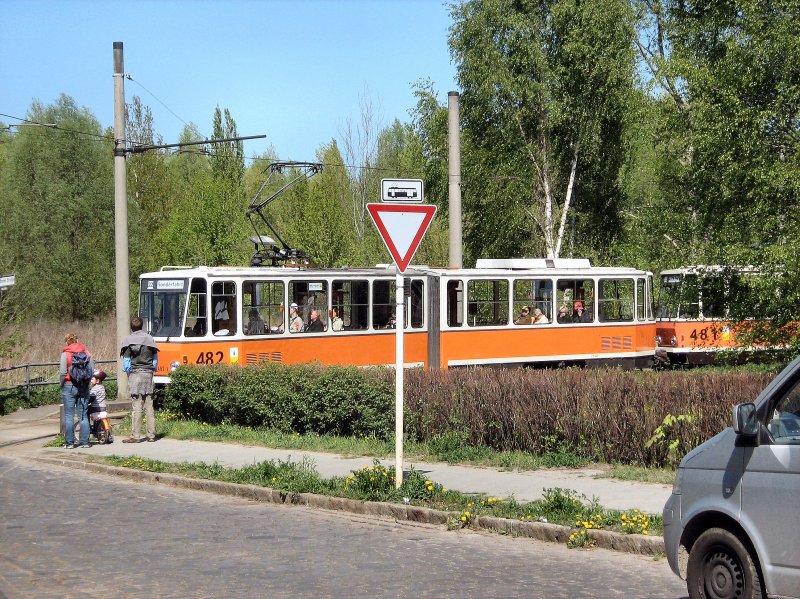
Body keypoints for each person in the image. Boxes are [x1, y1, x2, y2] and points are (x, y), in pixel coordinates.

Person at [120, 316, 159, 443]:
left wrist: (128, 373)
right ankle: (151, 435)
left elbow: (126, 362)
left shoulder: (128, 340)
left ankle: (135, 436)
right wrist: (152, 370)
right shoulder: (150, 339)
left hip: (135, 374)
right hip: (148, 374)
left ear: (131, 327)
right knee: (149, 405)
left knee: (136, 405)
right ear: (142, 326)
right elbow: (155, 360)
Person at [59, 333, 94, 448]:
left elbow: (63, 373)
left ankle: (69, 443)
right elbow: (91, 371)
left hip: (69, 385)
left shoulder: (65, 354)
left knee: (69, 416)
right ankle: (84, 442)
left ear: (66, 342)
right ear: (77, 340)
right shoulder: (87, 353)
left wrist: (62, 384)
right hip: (83, 386)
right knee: (83, 415)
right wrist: (87, 384)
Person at [88, 369, 112, 443]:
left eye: (92, 379)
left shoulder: (94, 389)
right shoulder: (102, 387)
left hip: (95, 407)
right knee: (98, 418)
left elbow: (92, 398)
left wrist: (87, 401)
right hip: (103, 407)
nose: (91, 380)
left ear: (97, 381)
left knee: (86, 412)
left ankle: (88, 427)